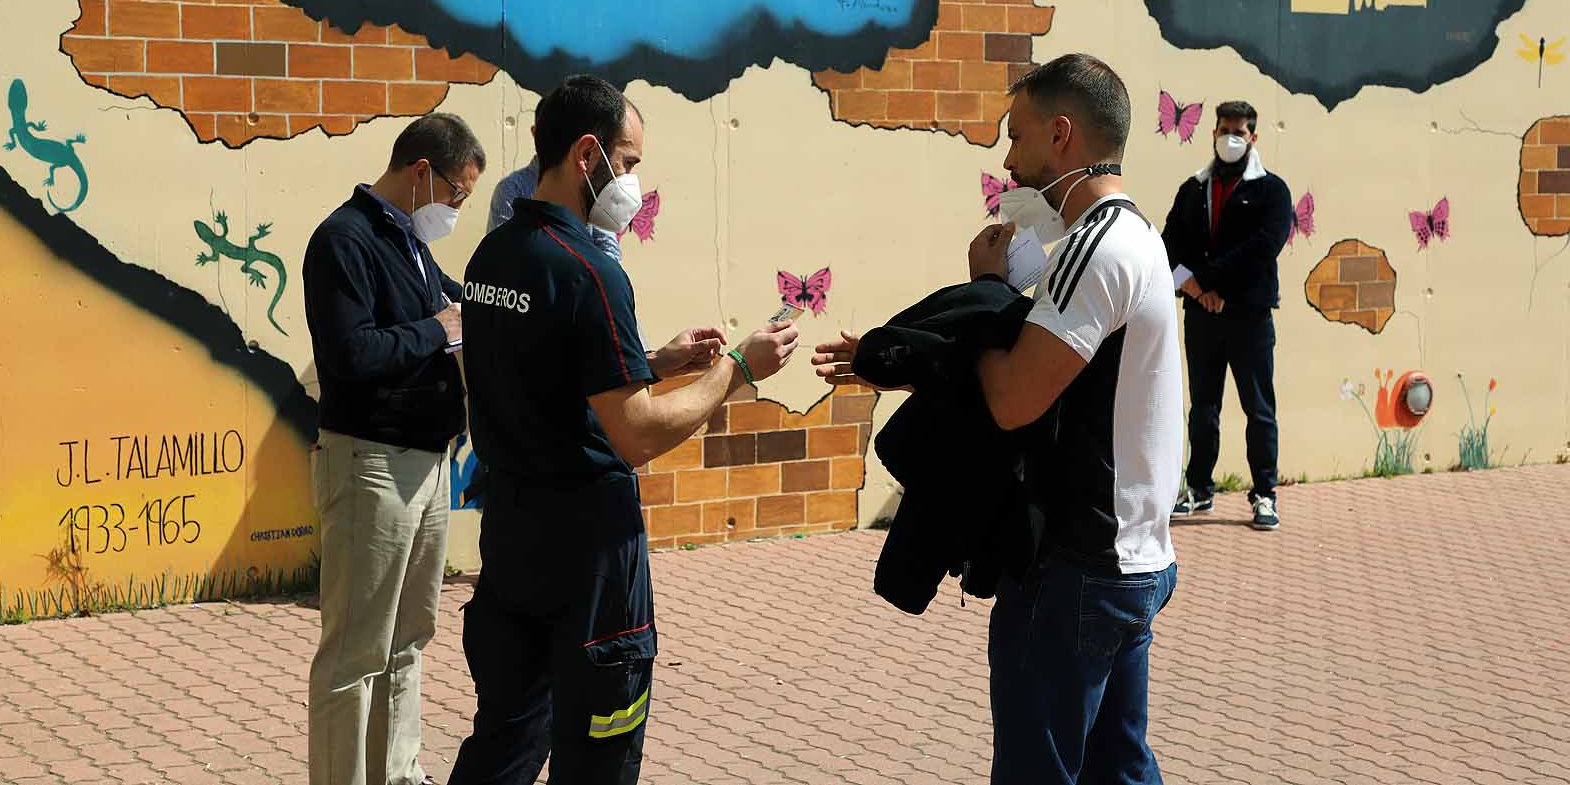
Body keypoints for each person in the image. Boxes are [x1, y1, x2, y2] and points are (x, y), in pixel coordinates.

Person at [816, 54, 1182, 784]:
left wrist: (983, 292)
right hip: (1130, 560)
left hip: (1077, 567)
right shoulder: (1133, 235)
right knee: (1120, 769)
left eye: (1016, 138)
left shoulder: (1094, 248)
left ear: (1062, 135)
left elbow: (1015, 394)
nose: (1009, 162)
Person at [449, 75, 799, 784]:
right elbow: (635, 433)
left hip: (513, 543)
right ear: (587, 155)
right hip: (590, 563)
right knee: (598, 754)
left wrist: (654, 361)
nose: (632, 183)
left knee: (504, 742)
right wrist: (738, 366)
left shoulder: (493, 258)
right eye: (629, 163)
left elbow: (542, 368)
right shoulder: (590, 273)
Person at [301, 113, 485, 785]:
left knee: (408, 641)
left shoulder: (408, 238)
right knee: (355, 653)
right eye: (456, 195)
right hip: (370, 463)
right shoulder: (343, 240)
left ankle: (399, 772)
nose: (455, 210)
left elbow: (453, 307)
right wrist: (437, 331)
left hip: (429, 462)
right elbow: (350, 354)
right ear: (419, 174)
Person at [1161, 101, 1292, 531]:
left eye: (1238, 132)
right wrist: (1196, 288)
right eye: (1223, 130)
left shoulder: (1272, 190)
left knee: (1259, 408)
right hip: (1201, 314)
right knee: (1203, 407)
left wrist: (1214, 284)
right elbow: (1168, 246)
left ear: (1253, 137)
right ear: (1212, 133)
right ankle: (1198, 488)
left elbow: (1262, 248)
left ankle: (1265, 493)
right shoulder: (1192, 189)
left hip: (1249, 316)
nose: (1229, 139)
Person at [489, 149, 623, 261]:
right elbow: (503, 256)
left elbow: (609, 249)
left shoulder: (590, 184)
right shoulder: (512, 188)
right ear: (535, 132)